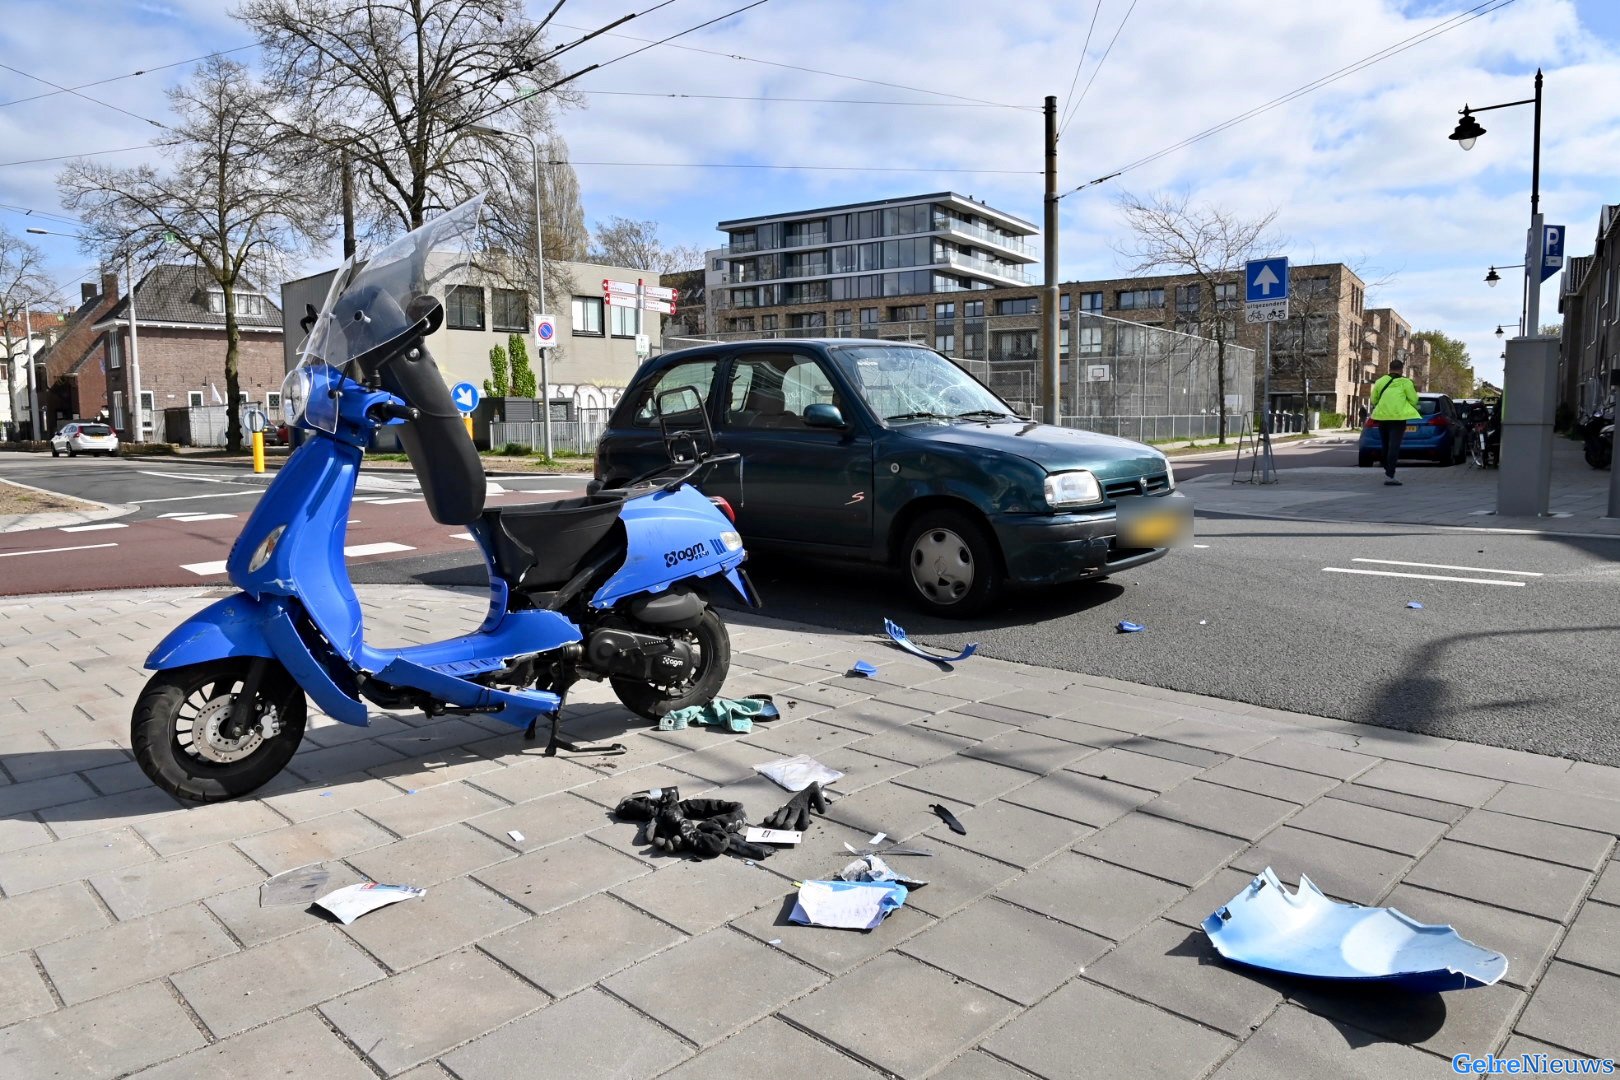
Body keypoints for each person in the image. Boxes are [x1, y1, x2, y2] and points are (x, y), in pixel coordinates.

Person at [1368, 359, 1420, 485]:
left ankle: (1387, 469)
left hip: (1382, 417)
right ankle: (1390, 475)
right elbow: (1414, 400)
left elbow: (1374, 399)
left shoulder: (1380, 381)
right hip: (1398, 419)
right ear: (1402, 370)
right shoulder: (1406, 382)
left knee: (1385, 445)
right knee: (1394, 446)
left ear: (1389, 368)